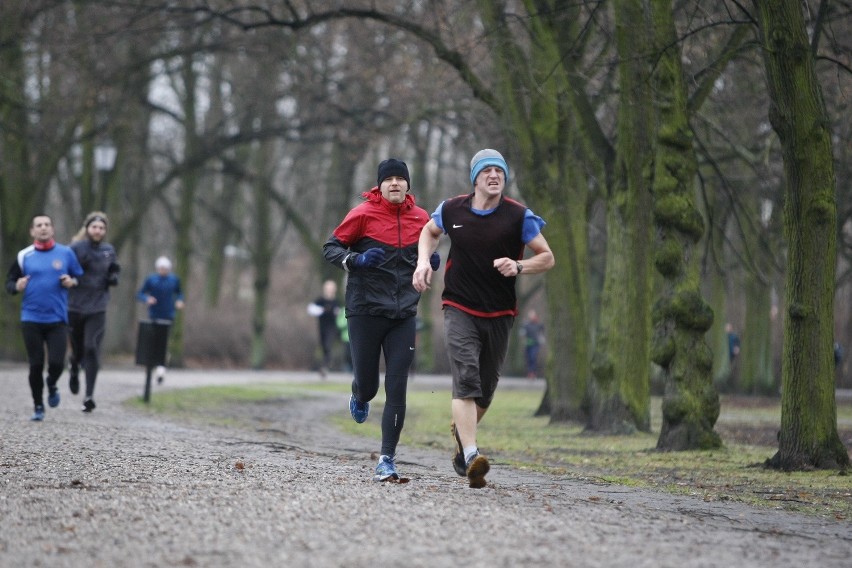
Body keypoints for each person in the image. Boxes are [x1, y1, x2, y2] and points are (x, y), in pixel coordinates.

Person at [412, 149, 554, 488]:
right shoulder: (452, 209)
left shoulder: (519, 216)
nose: (494, 176)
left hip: (500, 312)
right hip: (459, 306)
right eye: (487, 171)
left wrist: (519, 265)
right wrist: (422, 261)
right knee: (466, 378)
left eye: (500, 171)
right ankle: (472, 455)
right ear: (475, 178)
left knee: (485, 390)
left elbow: (547, 257)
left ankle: (462, 431)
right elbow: (430, 232)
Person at [322, 158, 438, 482]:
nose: (396, 184)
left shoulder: (421, 218)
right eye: (390, 180)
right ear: (380, 185)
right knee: (370, 385)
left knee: (397, 385)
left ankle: (387, 458)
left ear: (408, 185)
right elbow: (330, 248)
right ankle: (358, 395)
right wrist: (355, 259)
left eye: (401, 179)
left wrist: (430, 260)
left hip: (403, 313)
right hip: (365, 311)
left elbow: (428, 251)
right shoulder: (362, 214)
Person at [5, 214, 84, 421]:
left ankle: (52, 383)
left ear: (53, 229)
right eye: (39, 225)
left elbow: (79, 278)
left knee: (57, 363)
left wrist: (71, 282)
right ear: (32, 231)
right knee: (36, 364)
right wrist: (17, 286)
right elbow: (10, 283)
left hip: (57, 318)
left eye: (47, 224)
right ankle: (38, 405)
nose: (43, 228)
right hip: (31, 318)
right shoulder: (24, 256)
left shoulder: (66, 253)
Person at [67, 211, 120, 412]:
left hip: (98, 306)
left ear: (105, 231)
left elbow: (114, 268)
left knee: (92, 347)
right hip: (75, 305)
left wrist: (114, 277)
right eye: (94, 227)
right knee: (78, 349)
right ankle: (73, 367)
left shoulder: (109, 250)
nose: (98, 231)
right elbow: (64, 270)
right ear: (87, 228)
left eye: (101, 228)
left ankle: (89, 396)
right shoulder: (75, 248)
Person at [136, 256, 184, 383]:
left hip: (168, 316)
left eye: (166, 268)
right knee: (152, 342)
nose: (163, 270)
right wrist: (147, 299)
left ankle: (161, 368)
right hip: (153, 315)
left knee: (164, 343)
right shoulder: (151, 280)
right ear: (158, 268)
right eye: (161, 268)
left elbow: (180, 293)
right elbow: (140, 294)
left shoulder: (174, 280)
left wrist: (180, 301)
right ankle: (149, 364)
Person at [306, 279, 341, 377]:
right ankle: (323, 365)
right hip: (322, 327)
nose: (330, 290)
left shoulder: (336, 301)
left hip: (332, 327)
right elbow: (310, 309)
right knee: (323, 346)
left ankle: (325, 367)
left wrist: (337, 312)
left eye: (332, 288)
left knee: (328, 345)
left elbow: (340, 312)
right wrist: (322, 310)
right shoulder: (320, 300)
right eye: (328, 288)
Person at [520, 309, 545, 379]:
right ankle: (529, 373)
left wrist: (542, 339)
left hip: (535, 344)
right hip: (528, 344)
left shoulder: (539, 324)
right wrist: (523, 337)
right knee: (528, 359)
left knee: (533, 357)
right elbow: (522, 333)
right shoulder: (526, 325)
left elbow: (542, 332)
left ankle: (533, 373)